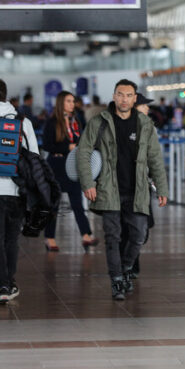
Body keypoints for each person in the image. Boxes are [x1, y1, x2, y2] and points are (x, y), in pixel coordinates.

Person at [77, 79, 169, 301]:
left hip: (137, 190)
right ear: (114, 96)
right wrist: (88, 183)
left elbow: (155, 158)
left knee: (139, 235)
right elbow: (83, 152)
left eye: (128, 95)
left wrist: (162, 188)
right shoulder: (99, 122)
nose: (124, 99)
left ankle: (126, 268)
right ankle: (117, 280)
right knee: (113, 237)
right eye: (120, 94)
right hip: (108, 189)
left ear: (135, 98)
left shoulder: (145, 124)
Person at [0, 77, 38, 305]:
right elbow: (34, 157)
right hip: (17, 189)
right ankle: (9, 282)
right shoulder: (22, 121)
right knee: (11, 238)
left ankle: (2, 284)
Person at [41, 91, 99, 252]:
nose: (72, 104)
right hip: (56, 166)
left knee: (77, 202)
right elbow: (47, 145)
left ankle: (86, 235)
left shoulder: (76, 121)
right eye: (68, 101)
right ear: (61, 103)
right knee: (54, 204)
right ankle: (49, 238)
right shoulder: (52, 122)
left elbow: (81, 140)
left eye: (73, 101)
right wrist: (67, 147)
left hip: (72, 165)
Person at [120, 93, 157, 277]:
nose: (147, 108)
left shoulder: (149, 127)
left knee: (141, 230)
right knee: (128, 229)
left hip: (143, 186)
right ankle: (128, 267)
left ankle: (129, 264)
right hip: (125, 186)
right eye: (144, 105)